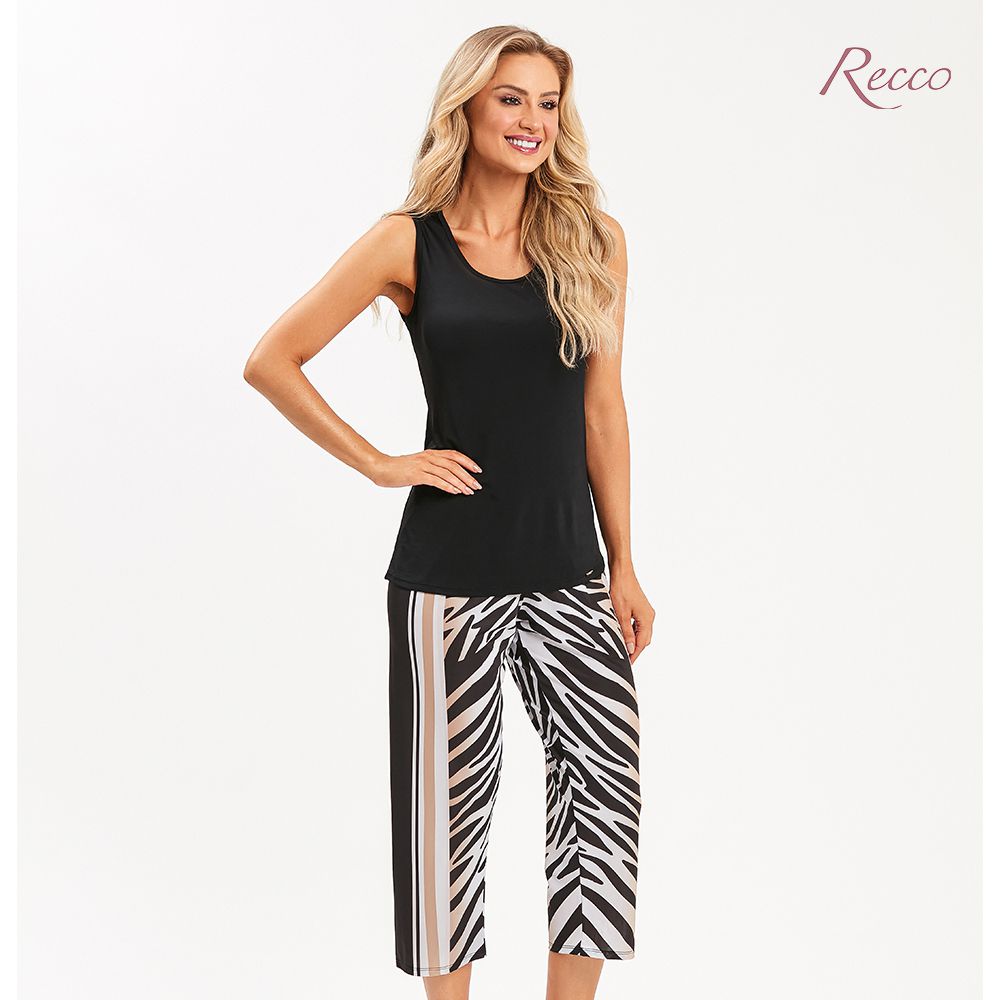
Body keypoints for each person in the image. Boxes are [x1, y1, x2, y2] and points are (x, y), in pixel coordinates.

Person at [243, 24, 654, 1000]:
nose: (532, 120)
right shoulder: (408, 242)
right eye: (511, 98)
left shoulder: (593, 241)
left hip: (568, 574)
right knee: (445, 824)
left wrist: (624, 562)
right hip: (447, 579)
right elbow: (272, 359)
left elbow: (602, 410)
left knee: (603, 800)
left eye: (547, 102)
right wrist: (379, 463)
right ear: (465, 107)